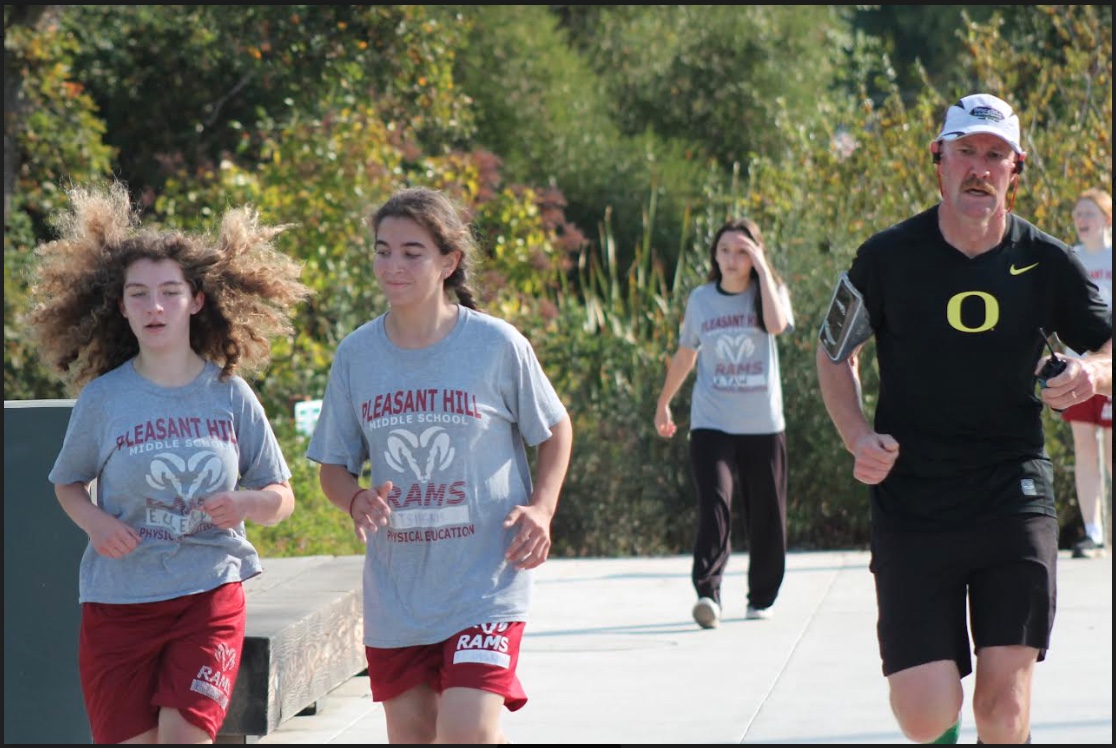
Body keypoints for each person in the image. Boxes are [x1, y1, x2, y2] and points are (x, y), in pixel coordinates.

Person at [815, 92, 1113, 745]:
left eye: (995, 156)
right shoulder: (887, 257)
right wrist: (857, 435)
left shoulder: (1048, 261)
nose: (980, 167)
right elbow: (834, 352)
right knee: (926, 713)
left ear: (1016, 168)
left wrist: (1090, 373)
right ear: (939, 161)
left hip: (1013, 494)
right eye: (966, 152)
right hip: (914, 500)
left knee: (1003, 714)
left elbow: (1110, 345)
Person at [26, 181, 311, 744]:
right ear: (121, 306)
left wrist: (247, 502)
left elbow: (282, 496)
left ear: (196, 300)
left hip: (207, 596)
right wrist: (97, 522)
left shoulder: (229, 393)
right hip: (119, 606)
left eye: (169, 292)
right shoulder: (104, 400)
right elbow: (67, 484)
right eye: (138, 294)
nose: (154, 306)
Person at [305, 186, 573, 745]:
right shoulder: (357, 355)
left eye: (411, 251)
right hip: (398, 593)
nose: (392, 265)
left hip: (485, 582)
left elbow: (555, 430)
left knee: (467, 733)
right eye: (382, 250)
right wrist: (354, 499)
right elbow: (333, 468)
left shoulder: (495, 345)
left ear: (448, 262)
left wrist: (542, 509)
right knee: (415, 738)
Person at [654, 217, 794, 629]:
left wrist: (764, 270)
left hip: (763, 424)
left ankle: (761, 596)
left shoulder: (768, 293)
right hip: (712, 420)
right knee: (715, 503)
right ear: (714, 256)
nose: (733, 260)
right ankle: (708, 594)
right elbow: (685, 355)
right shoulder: (701, 299)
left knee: (767, 513)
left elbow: (776, 326)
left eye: (742, 252)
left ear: (755, 255)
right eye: (725, 251)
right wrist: (665, 403)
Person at [1061, 188, 1112, 559]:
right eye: (1078, 212)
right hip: (1076, 367)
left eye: (1089, 212)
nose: (1082, 219)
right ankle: (1092, 533)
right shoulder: (1069, 258)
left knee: (1111, 451)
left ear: (1107, 218)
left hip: (1109, 368)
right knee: (1084, 448)